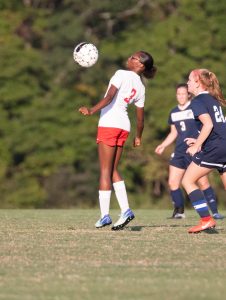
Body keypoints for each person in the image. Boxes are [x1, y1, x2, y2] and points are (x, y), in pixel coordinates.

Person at [79, 51, 157, 230]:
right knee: (113, 170)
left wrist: (91, 110)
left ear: (140, 66)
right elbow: (140, 119)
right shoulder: (141, 87)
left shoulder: (121, 74)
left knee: (105, 171)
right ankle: (126, 211)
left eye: (134, 57)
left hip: (109, 123)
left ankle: (105, 215)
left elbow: (109, 98)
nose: (130, 57)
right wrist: (138, 136)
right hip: (124, 126)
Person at [155, 83, 224, 220]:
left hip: (195, 149)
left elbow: (206, 126)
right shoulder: (174, 112)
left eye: (183, 93)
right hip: (180, 151)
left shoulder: (195, 106)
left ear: (188, 94)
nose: (181, 96)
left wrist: (198, 142)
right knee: (173, 182)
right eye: (178, 94)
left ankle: (214, 212)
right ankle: (179, 212)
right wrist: (163, 145)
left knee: (202, 182)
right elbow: (173, 133)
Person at [181, 68, 226, 233]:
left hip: (217, 147)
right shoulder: (212, 99)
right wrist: (199, 139)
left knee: (187, 181)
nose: (187, 83)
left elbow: (209, 124)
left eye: (189, 80)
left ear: (198, 83)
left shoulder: (198, 101)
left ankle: (206, 220)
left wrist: (197, 145)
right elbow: (218, 125)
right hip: (224, 143)